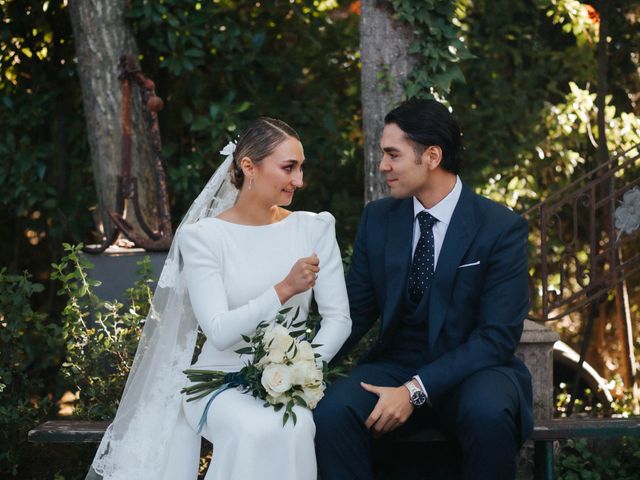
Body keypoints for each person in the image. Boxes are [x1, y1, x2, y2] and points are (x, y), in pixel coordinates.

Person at [86, 117, 351, 480]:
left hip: (287, 385)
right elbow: (219, 331)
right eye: (289, 167)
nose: (299, 180)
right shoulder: (204, 238)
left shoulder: (314, 228)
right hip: (218, 381)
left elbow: (339, 319)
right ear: (248, 167)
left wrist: (301, 372)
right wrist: (284, 289)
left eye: (301, 168)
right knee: (254, 429)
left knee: (295, 428)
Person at [314, 99, 533, 480]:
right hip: (395, 365)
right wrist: (303, 366)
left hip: (474, 371)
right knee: (333, 409)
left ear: (431, 156)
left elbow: (496, 338)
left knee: (488, 413)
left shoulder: (500, 227)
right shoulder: (378, 220)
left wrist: (415, 390)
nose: (383, 166)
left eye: (392, 154)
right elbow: (354, 313)